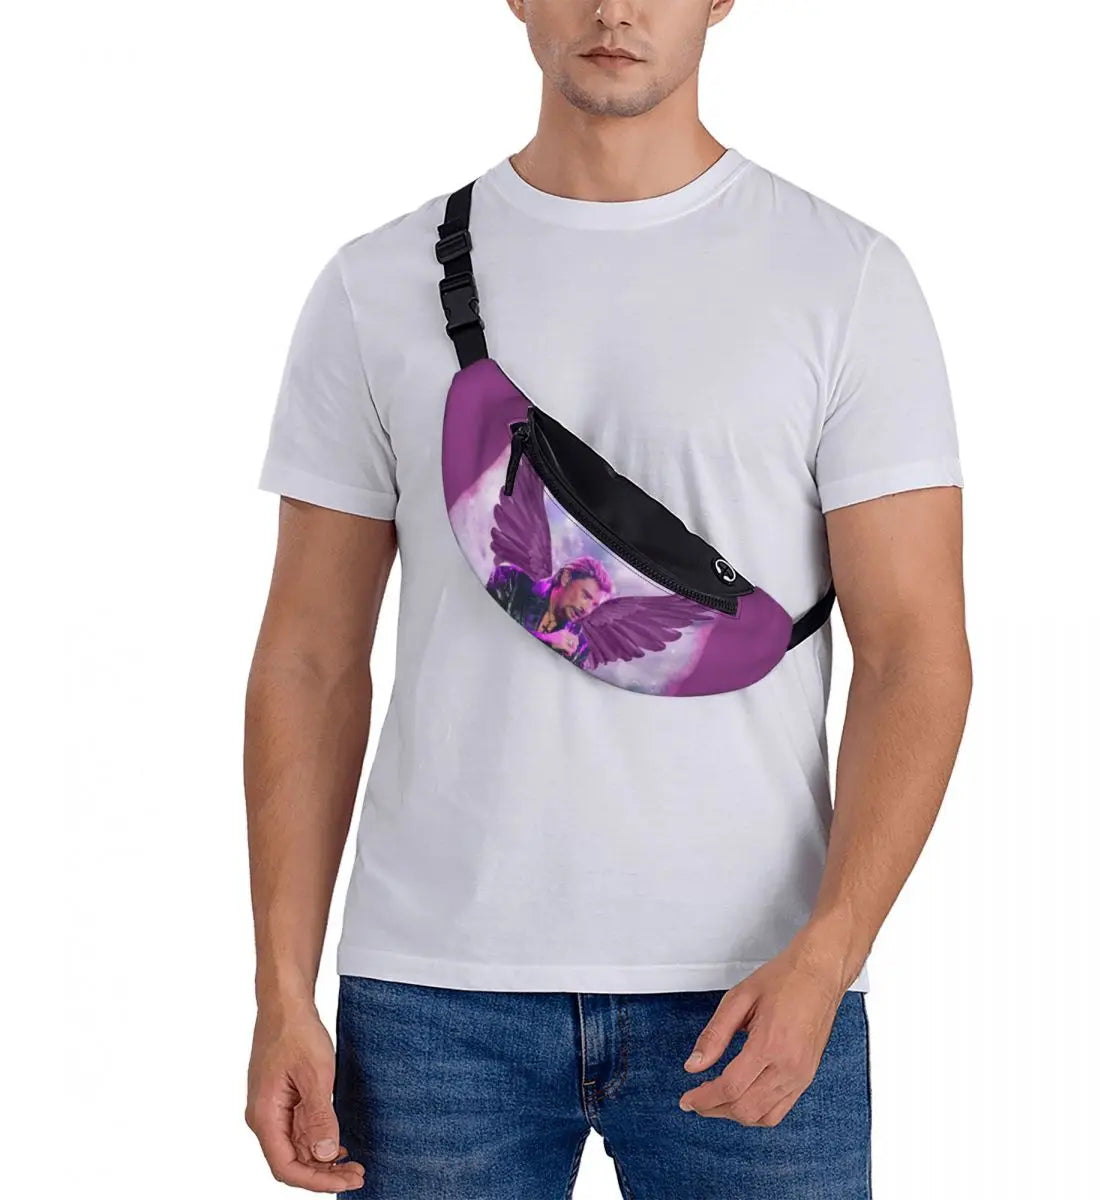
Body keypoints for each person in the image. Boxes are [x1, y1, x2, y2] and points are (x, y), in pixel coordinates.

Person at [243, 1, 972, 1195]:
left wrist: (830, 954)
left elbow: (915, 655)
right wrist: (282, 990)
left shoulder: (844, 280)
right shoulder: (376, 286)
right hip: (434, 997)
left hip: (760, 986)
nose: (615, 8)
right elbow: (309, 658)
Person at [485, 557, 612, 666]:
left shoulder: (579, 648)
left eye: (594, 605)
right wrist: (545, 639)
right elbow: (484, 626)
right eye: (585, 596)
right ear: (566, 578)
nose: (587, 609)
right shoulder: (511, 581)